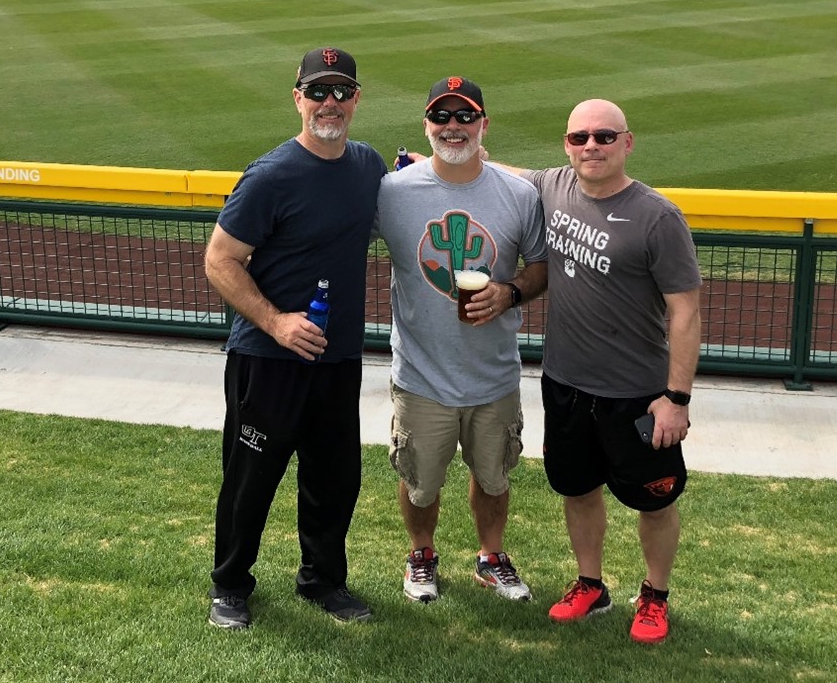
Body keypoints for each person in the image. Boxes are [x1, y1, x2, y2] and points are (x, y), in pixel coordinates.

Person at [490, 99, 702, 643]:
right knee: (577, 489)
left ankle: (654, 595)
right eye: (580, 137)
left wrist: (676, 398)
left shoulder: (658, 216)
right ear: (566, 144)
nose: (591, 146)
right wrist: (431, 158)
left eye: (605, 137)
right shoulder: (555, 185)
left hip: (637, 392)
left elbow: (685, 312)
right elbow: (506, 172)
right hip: (565, 382)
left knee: (655, 499)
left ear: (627, 143)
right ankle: (591, 584)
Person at [204, 47, 387, 630]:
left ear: (356, 99)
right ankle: (230, 586)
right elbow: (219, 260)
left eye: (340, 92)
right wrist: (276, 321)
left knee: (334, 479)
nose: (328, 103)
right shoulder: (270, 175)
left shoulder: (368, 166)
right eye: (317, 92)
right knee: (250, 478)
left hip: (336, 358)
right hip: (269, 358)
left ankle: (323, 581)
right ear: (297, 99)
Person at [376, 77, 548, 605]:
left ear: (483, 125)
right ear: (426, 126)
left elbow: (540, 267)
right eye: (441, 117)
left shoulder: (518, 194)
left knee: (493, 478)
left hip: (493, 371)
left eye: (465, 116)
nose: (453, 127)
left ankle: (491, 556)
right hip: (421, 374)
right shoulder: (391, 192)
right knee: (420, 480)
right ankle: (421, 554)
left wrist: (510, 292)